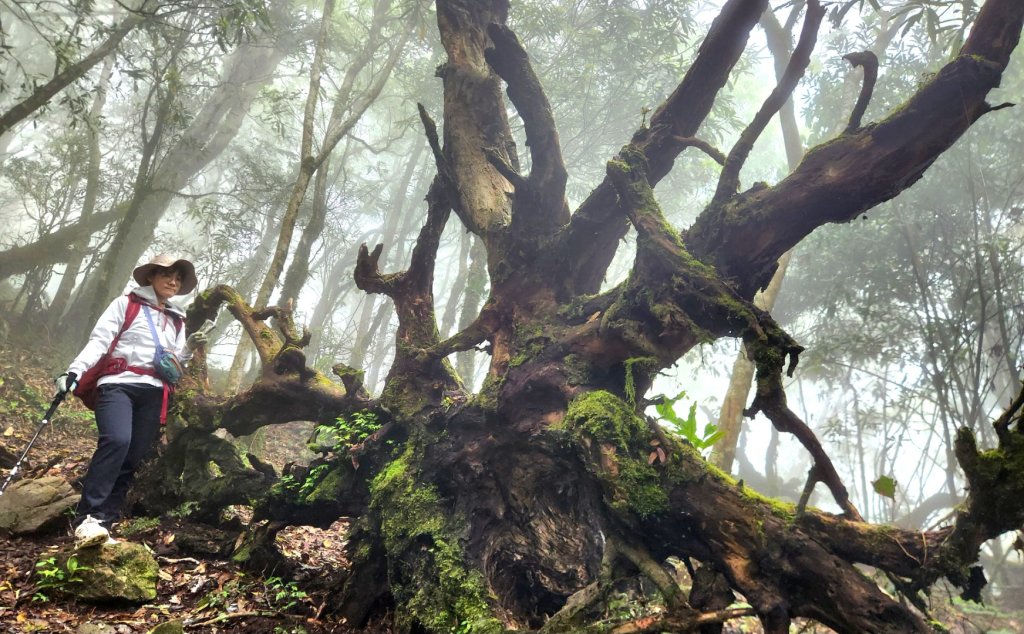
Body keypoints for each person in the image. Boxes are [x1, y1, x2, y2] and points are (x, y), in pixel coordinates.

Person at [54, 255, 207, 547]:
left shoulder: (177, 319)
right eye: (167, 274)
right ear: (151, 276)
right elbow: (99, 341)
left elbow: (175, 363)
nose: (173, 282)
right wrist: (74, 370)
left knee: (133, 456)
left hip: (155, 391)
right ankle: (87, 518)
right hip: (118, 384)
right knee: (116, 441)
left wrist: (188, 347)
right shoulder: (126, 304)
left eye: (178, 278)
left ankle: (105, 524)